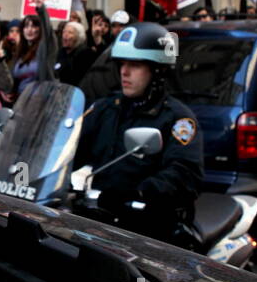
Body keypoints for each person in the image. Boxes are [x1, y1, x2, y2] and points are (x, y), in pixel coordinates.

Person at [71, 22, 205, 247]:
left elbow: (184, 173)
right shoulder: (106, 108)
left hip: (148, 226)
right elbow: (72, 146)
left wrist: (139, 192)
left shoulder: (177, 119)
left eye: (134, 65)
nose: (124, 71)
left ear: (157, 70)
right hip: (100, 218)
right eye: (122, 63)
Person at [55, 19, 96, 88]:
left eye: (70, 32)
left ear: (79, 37)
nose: (65, 35)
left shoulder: (86, 53)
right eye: (64, 32)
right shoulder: (61, 52)